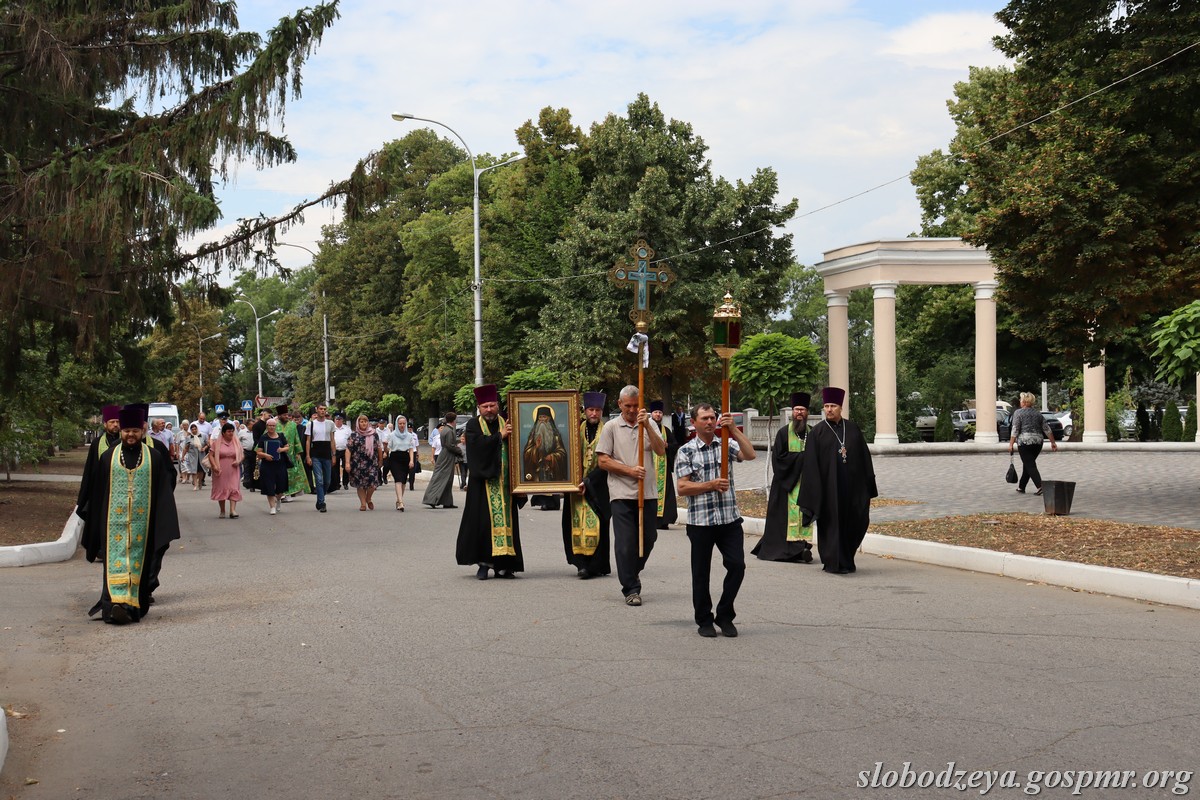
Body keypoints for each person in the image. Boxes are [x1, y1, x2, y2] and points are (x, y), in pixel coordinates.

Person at [81, 406, 180, 624]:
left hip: (142, 525)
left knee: (138, 564)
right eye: (127, 431)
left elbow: (163, 492)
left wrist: (163, 522)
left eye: (135, 430)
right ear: (121, 431)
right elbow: (98, 492)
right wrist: (94, 520)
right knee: (114, 563)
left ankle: (131, 607)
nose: (130, 435)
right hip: (112, 524)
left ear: (142, 431)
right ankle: (113, 606)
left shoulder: (154, 457)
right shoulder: (108, 457)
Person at [676, 404, 756, 637]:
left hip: (729, 519)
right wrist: (710, 485)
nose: (710, 422)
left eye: (713, 417)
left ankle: (724, 614)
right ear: (694, 423)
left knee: (737, 566)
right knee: (701, 573)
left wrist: (734, 430)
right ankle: (704, 620)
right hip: (701, 522)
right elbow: (682, 488)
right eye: (704, 418)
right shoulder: (686, 451)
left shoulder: (726, 445)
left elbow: (750, 455)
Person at [596, 385, 666, 606]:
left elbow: (661, 450)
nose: (633, 410)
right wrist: (630, 471)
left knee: (649, 539)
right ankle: (631, 589)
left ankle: (631, 570)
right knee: (625, 544)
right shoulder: (611, 427)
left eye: (636, 405)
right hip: (621, 493)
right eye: (628, 406)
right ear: (620, 404)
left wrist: (648, 426)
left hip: (648, 494)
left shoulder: (649, 423)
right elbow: (603, 461)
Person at [799, 387, 878, 575]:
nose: (829, 409)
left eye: (833, 406)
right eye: (826, 406)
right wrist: (815, 492)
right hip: (828, 491)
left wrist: (867, 486)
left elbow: (864, 458)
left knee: (854, 523)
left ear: (840, 408)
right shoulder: (817, 432)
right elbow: (810, 465)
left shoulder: (853, 429)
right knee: (831, 525)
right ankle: (832, 562)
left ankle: (847, 559)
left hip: (852, 489)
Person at [456, 385, 524, 579]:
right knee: (484, 525)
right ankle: (484, 565)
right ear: (479, 408)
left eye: (492, 405)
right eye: (484, 406)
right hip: (483, 485)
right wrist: (500, 436)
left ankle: (504, 565)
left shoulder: (508, 422)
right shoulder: (473, 425)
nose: (488, 410)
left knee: (508, 524)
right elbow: (476, 449)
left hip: (506, 485)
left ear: (497, 405)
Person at [752, 392, 815, 563]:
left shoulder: (813, 433)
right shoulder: (783, 433)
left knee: (803, 515)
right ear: (792, 412)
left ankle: (801, 547)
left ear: (807, 412)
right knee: (783, 520)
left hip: (806, 484)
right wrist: (803, 458)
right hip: (785, 484)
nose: (799, 412)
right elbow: (778, 460)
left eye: (802, 409)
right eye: (796, 409)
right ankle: (790, 551)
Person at [563, 391, 611, 579]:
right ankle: (581, 564)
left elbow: (609, 460)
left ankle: (595, 565)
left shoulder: (608, 431)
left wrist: (589, 480)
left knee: (597, 525)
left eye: (597, 410)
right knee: (576, 525)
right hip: (575, 487)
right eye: (591, 409)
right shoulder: (574, 430)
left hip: (598, 486)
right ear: (585, 411)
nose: (594, 413)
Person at [76, 404, 122, 517]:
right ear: (105, 424)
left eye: (117, 422)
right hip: (101, 490)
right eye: (112, 422)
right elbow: (89, 469)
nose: (115, 424)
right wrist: (83, 498)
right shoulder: (97, 443)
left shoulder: (126, 441)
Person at [1009, 391, 1057, 495]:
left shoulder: (1018, 413)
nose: (1020, 402)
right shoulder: (1038, 414)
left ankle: (1040, 486)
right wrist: (1053, 442)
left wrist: (1011, 444)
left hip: (1024, 442)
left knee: (1030, 464)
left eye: (1021, 400)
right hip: (1038, 443)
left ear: (1024, 402)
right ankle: (1021, 487)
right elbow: (1047, 429)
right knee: (1028, 463)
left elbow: (1015, 429)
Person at [649, 400, 678, 529]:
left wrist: (667, 446)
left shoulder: (666, 430)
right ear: (651, 414)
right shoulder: (645, 429)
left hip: (663, 469)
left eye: (660, 412)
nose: (658, 414)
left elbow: (675, 445)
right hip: (649, 468)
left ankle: (663, 521)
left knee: (666, 494)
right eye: (655, 412)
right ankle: (650, 520)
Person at [423, 412, 462, 509]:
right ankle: (431, 499)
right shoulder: (449, 431)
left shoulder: (445, 429)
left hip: (444, 455)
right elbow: (450, 445)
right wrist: (459, 451)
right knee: (442, 477)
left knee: (448, 479)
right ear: (453, 420)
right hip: (447, 456)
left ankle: (447, 502)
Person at [346, 414, 383, 511]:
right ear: (358, 423)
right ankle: (363, 503)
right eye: (361, 422)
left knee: (372, 483)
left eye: (365, 421)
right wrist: (347, 463)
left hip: (371, 463)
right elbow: (348, 449)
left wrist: (380, 460)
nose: (364, 423)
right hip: (357, 463)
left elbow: (379, 448)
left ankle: (368, 498)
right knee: (360, 484)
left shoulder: (374, 434)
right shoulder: (354, 435)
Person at [254, 417, 290, 515]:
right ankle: (272, 507)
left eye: (273, 425)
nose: (271, 427)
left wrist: (281, 450)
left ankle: (278, 499)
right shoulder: (263, 437)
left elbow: (287, 447)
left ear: (276, 426)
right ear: (266, 426)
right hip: (267, 465)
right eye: (269, 425)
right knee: (269, 486)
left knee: (281, 487)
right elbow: (258, 452)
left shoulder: (281, 436)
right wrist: (266, 455)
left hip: (280, 464)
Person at [209, 422, 244, 519]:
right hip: (220, 469)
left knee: (234, 488)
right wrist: (214, 466)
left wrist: (238, 461)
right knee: (222, 488)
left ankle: (232, 510)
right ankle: (222, 510)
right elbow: (211, 456)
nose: (231, 433)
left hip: (234, 469)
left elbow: (241, 455)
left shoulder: (236, 443)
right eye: (229, 431)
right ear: (223, 433)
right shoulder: (217, 443)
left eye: (232, 431)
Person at [277, 405, 310, 502]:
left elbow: (296, 439)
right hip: (277, 453)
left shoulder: (292, 425)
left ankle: (287, 494)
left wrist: (298, 452)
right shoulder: (274, 425)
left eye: (287, 415)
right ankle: (279, 493)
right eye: (284, 415)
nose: (286, 416)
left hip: (290, 453)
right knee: (279, 474)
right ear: (279, 416)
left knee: (290, 474)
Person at [305, 402, 334, 513]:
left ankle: (320, 498)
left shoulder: (330, 423)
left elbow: (332, 440)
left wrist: (334, 454)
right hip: (315, 454)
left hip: (327, 454)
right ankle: (322, 503)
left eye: (324, 409)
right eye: (321, 409)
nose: (322, 411)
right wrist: (308, 456)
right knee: (319, 479)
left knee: (327, 481)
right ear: (316, 410)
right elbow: (308, 441)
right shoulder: (311, 424)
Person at [385, 416, 418, 511]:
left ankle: (399, 499)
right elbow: (388, 448)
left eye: (404, 423)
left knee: (403, 481)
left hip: (405, 458)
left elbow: (411, 449)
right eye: (400, 424)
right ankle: (401, 502)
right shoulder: (392, 435)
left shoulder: (409, 435)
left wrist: (411, 460)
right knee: (398, 479)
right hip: (395, 458)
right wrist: (385, 448)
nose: (402, 425)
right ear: (397, 424)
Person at [181, 422, 206, 491]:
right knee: (193, 470)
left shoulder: (203, 436)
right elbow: (186, 448)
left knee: (201, 470)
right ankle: (195, 484)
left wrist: (204, 448)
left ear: (197, 429)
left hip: (201, 455)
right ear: (191, 430)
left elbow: (207, 444)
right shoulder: (188, 438)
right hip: (192, 456)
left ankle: (200, 481)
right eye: (192, 429)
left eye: (195, 429)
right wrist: (182, 457)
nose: (194, 431)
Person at [330, 412, 350, 493]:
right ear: (334, 420)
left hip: (345, 450)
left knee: (346, 466)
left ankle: (345, 483)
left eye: (340, 419)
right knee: (335, 467)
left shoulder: (347, 428)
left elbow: (350, 439)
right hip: (335, 450)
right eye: (337, 419)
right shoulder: (332, 428)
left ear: (342, 420)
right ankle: (337, 483)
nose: (338, 421)